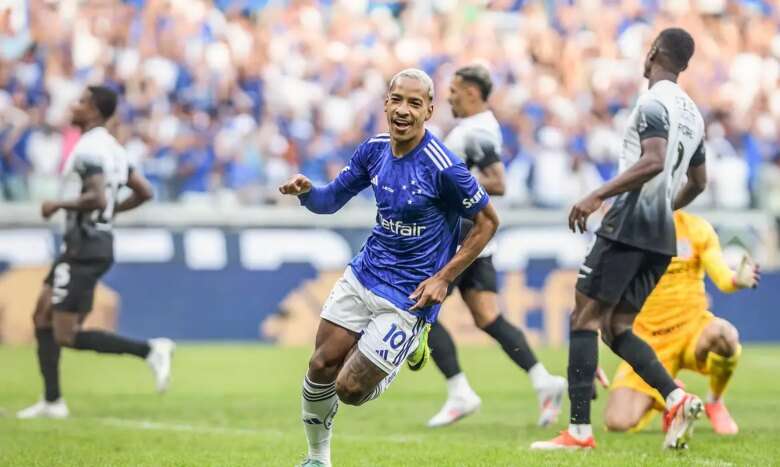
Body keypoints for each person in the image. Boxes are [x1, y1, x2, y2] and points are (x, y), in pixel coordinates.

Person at [279, 68, 499, 467]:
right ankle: (317, 459)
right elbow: (330, 202)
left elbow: (488, 222)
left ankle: (406, 348)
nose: (403, 110)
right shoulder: (373, 150)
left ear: (429, 111)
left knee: (349, 389)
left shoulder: (443, 165)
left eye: (415, 103)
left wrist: (444, 279)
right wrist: (307, 192)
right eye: (397, 100)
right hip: (364, 273)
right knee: (320, 365)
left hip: (409, 295)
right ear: (386, 103)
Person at [531, 27, 709, 450]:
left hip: (628, 224)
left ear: (651, 55)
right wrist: (665, 207)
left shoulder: (652, 102)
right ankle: (676, 396)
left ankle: (578, 432)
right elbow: (699, 182)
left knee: (584, 319)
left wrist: (596, 194)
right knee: (615, 327)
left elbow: (652, 160)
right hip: (661, 235)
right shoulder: (693, 114)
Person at [17, 86, 174, 420]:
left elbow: (98, 197)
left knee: (65, 334)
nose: (74, 106)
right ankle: (52, 401)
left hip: (84, 247)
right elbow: (144, 192)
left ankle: (150, 349)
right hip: (88, 243)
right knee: (41, 314)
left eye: (81, 101)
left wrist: (58, 203)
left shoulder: (89, 148)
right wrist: (108, 215)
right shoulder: (114, 149)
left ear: (94, 111)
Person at [425, 64, 566, 428]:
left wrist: (450, 190)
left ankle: (459, 391)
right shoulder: (475, 128)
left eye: (454, 89)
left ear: (472, 91)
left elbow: (497, 182)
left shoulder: (477, 131)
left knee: (418, 308)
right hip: (476, 234)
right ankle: (544, 381)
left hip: (461, 236)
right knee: (487, 316)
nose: (449, 96)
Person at [604, 210, 759, 435]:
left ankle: (715, 401)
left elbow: (723, 278)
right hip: (647, 340)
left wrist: (737, 280)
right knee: (617, 422)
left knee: (725, 335)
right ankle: (671, 395)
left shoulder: (696, 228)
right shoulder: (629, 231)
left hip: (691, 330)